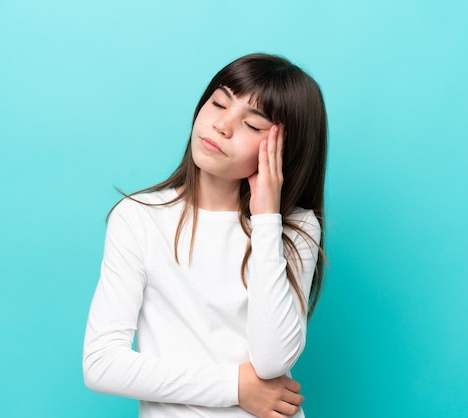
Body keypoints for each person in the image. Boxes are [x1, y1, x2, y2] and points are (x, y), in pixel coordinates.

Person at [83, 53, 328, 418]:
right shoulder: (139, 217)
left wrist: (266, 220)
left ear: (284, 151)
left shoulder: (295, 227)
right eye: (218, 103)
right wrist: (235, 388)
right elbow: (102, 363)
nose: (222, 126)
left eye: (253, 125)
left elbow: (272, 359)